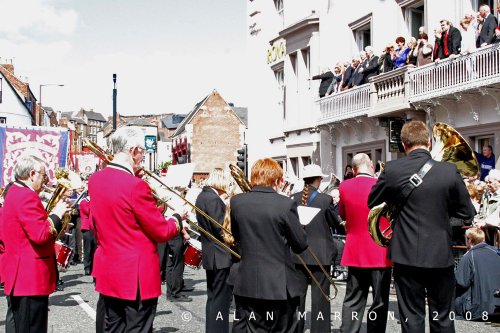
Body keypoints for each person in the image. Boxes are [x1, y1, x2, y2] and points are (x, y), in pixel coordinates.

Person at [368, 120, 476, 333]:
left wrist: (395, 205)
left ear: (403, 144)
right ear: (429, 141)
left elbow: (372, 201)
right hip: (439, 254)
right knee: (442, 317)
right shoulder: (448, 171)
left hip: (405, 255)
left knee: (411, 318)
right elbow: (467, 214)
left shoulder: (392, 169)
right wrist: (442, 222)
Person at [89, 126, 186, 332]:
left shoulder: (95, 180)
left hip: (110, 269)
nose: (143, 157)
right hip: (136, 276)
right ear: (133, 151)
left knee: (113, 326)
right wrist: (178, 217)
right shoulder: (135, 186)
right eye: (143, 152)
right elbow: (161, 231)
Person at [230, 158, 308, 332]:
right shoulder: (286, 204)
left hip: (248, 281)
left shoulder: (237, 202)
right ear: (277, 180)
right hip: (279, 284)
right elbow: (300, 245)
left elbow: (237, 237)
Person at [2, 154, 68, 333]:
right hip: (30, 277)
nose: (44, 180)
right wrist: (57, 214)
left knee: (18, 325)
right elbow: (40, 235)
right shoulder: (26, 196)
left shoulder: (14, 191)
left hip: (19, 273)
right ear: (32, 174)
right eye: (43, 176)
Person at [339, 153, 393, 333]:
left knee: (353, 299)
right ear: (371, 166)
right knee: (379, 301)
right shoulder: (381, 185)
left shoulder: (344, 185)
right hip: (380, 252)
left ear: (353, 170)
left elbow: (343, 215)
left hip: (355, 251)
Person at [291, 164, 340, 333]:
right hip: (321, 254)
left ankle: (296, 328)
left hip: (298, 254)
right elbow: (336, 223)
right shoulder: (325, 200)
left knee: (298, 297)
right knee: (320, 299)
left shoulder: (293, 198)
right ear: (318, 180)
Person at [195, 168, 233, 333]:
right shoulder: (213, 199)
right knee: (220, 299)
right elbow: (221, 229)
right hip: (220, 255)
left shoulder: (202, 196)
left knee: (213, 297)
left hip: (212, 254)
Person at [455, 227, 500, 320]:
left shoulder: (469, 256)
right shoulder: (496, 252)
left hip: (478, 309)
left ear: (470, 240)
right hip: (497, 306)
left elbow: (461, 282)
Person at [80, 193, 95, 276]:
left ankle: (93, 267)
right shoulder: (84, 202)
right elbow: (89, 211)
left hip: (94, 228)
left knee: (94, 249)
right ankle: (87, 267)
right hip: (87, 228)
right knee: (88, 249)